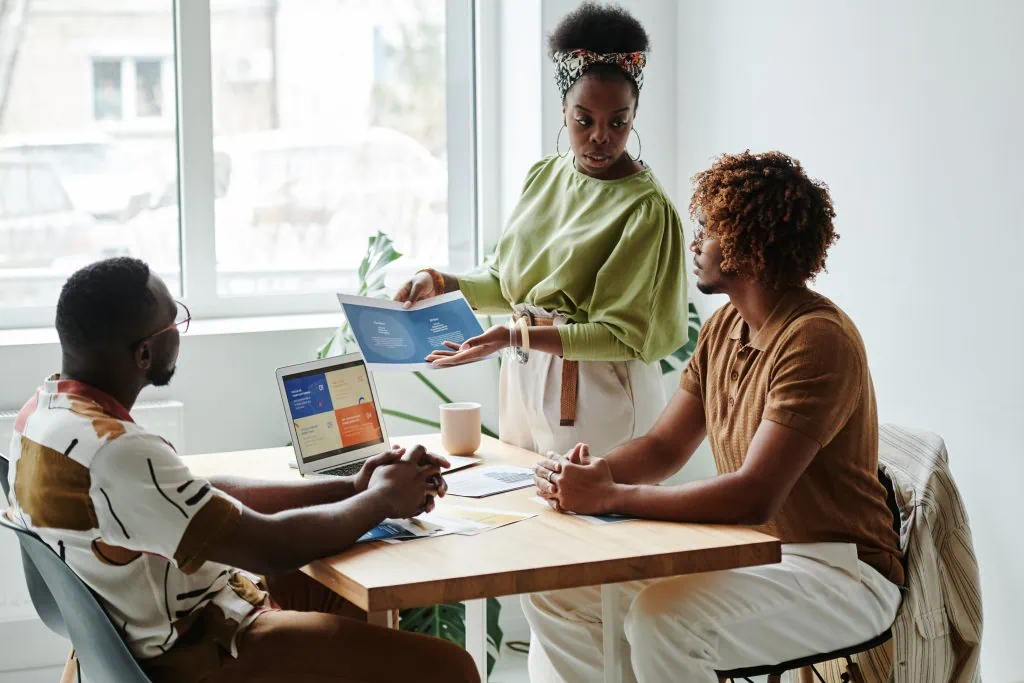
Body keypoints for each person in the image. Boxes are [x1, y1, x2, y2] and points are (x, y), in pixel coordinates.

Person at [4, 257, 478, 683]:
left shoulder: (43, 417)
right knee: (449, 668)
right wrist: (381, 501)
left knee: (350, 601)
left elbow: (203, 494)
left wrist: (349, 487)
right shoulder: (116, 454)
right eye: (175, 323)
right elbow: (270, 548)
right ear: (143, 354)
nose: (180, 331)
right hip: (191, 654)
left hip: (137, 635)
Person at [527, 151, 904, 682]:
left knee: (667, 621)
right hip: (755, 553)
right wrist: (593, 473)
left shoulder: (816, 340)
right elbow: (663, 448)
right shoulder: (725, 326)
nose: (695, 242)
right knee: (559, 589)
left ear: (751, 244)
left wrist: (610, 497)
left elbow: (755, 495)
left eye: (707, 228)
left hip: (841, 570)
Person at [395, 2, 689, 459]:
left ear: (634, 114)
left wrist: (516, 337)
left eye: (618, 121)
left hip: (595, 387)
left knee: (599, 524)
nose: (600, 136)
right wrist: (440, 283)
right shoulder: (544, 177)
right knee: (527, 513)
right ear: (563, 109)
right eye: (583, 118)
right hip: (524, 372)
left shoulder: (644, 209)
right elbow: (506, 285)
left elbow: (619, 336)